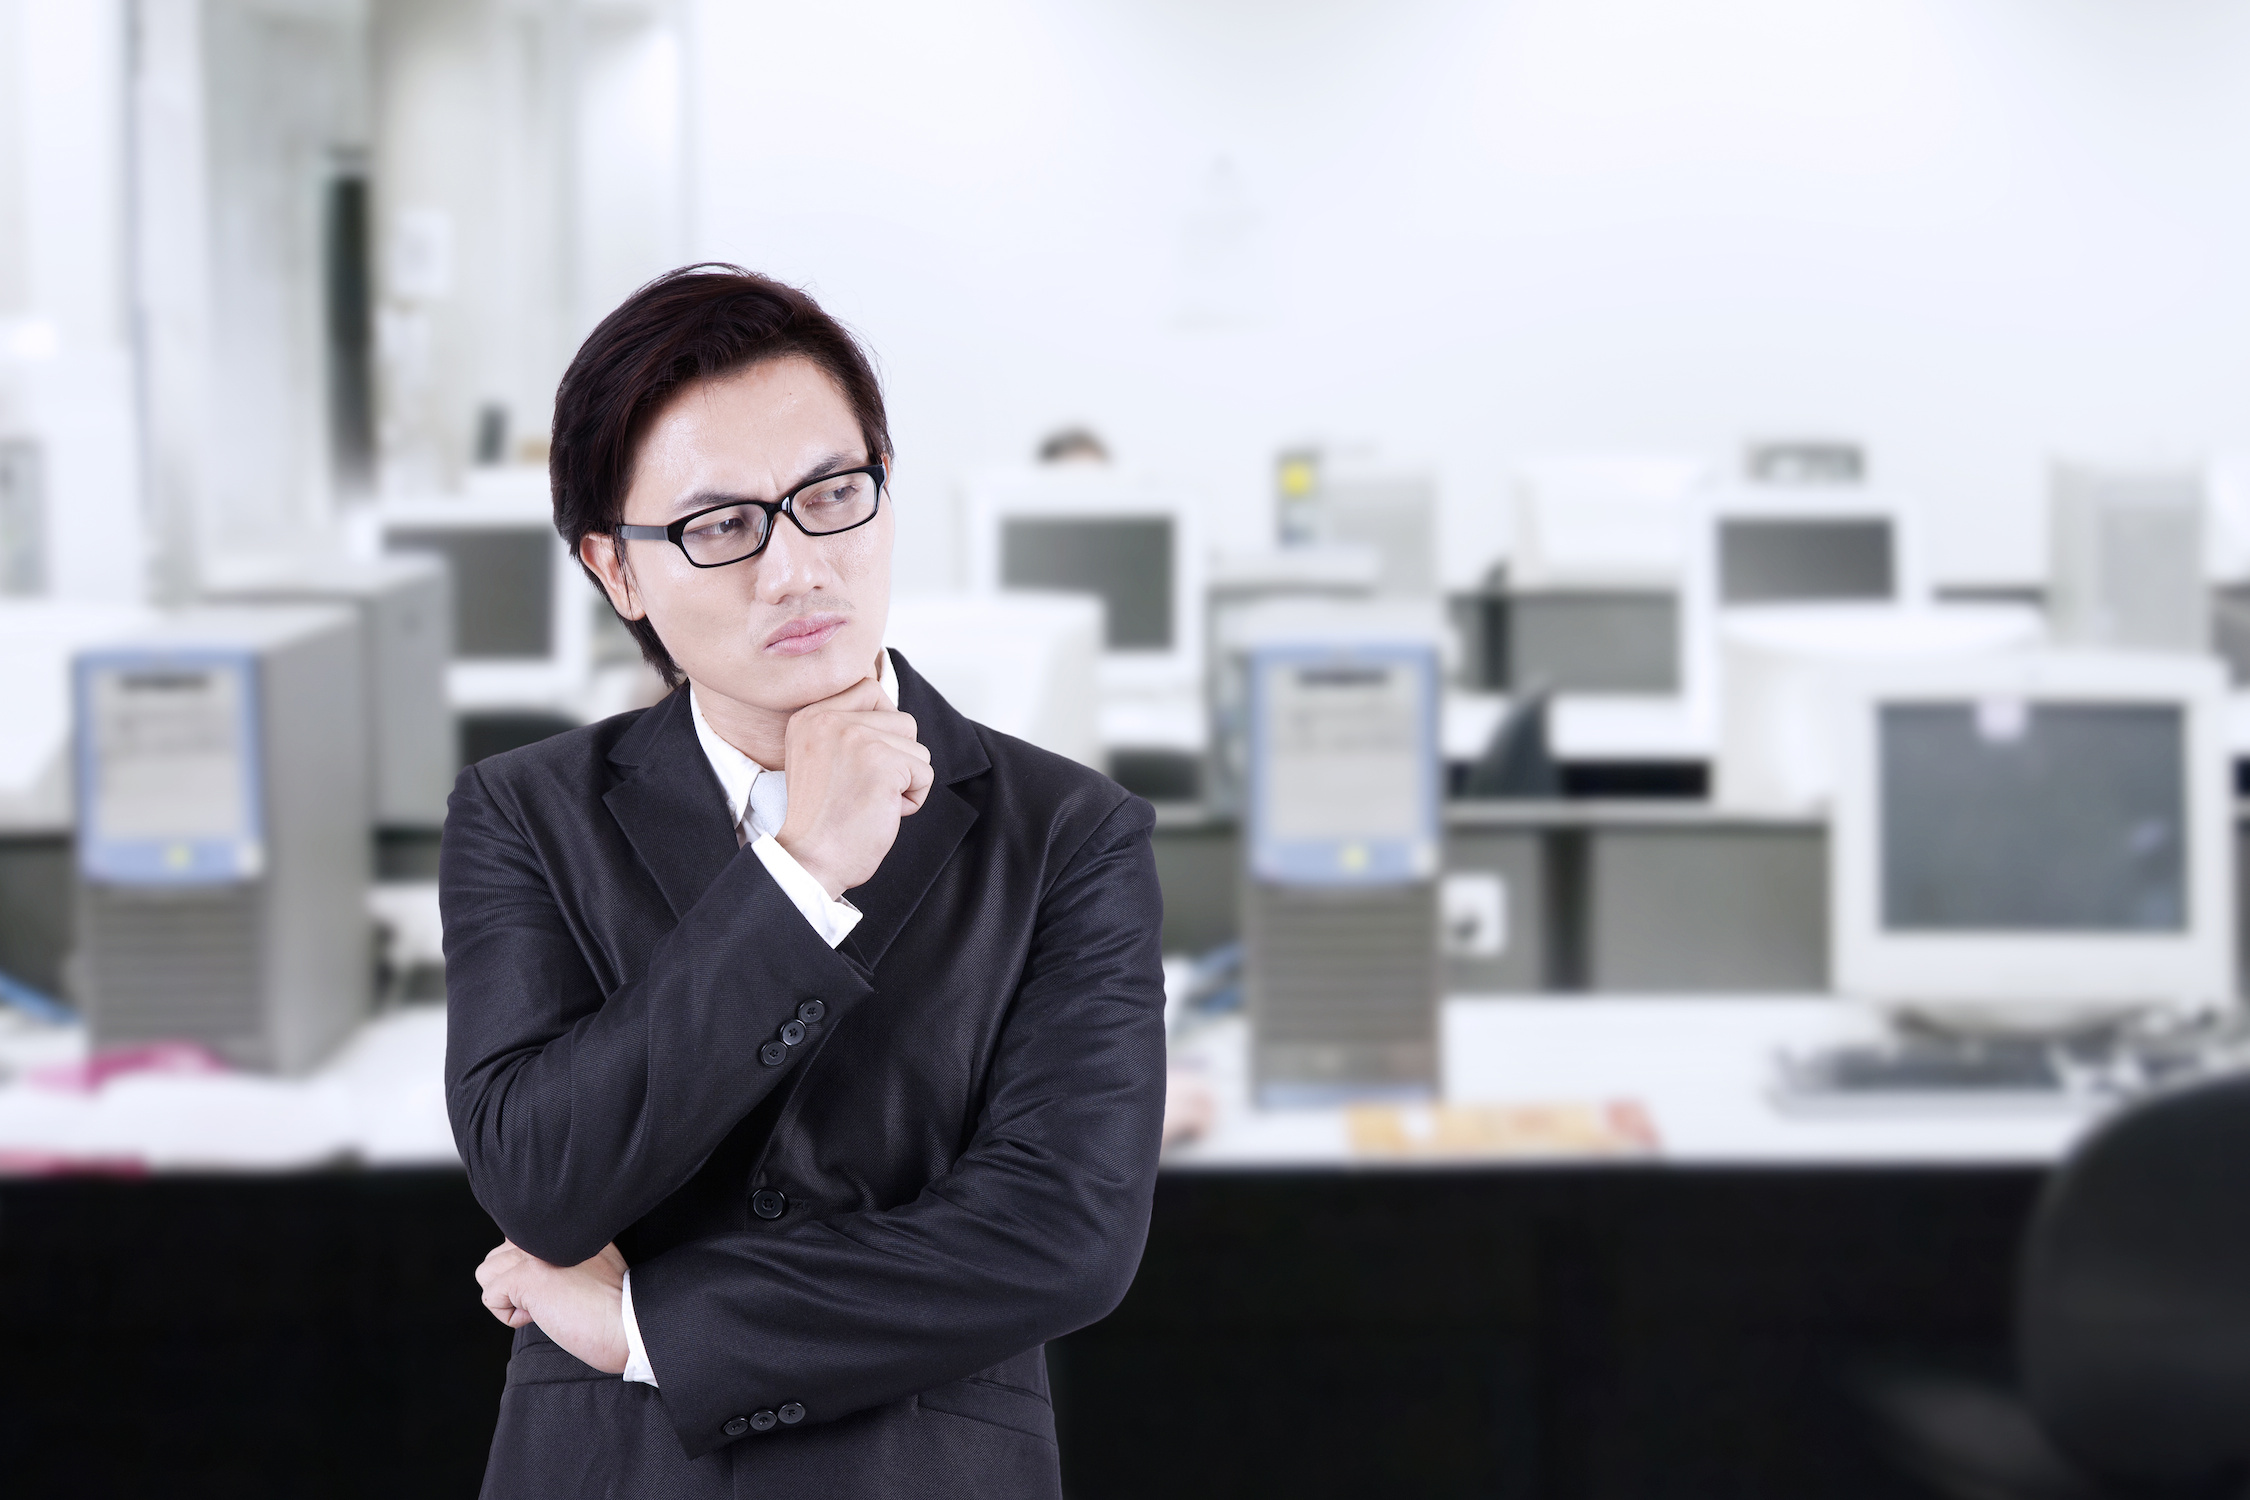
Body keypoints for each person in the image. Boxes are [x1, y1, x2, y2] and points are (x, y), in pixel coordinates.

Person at [443, 265, 1167, 1498]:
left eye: (831, 496)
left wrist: (649, 1328)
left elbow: (1061, 1235)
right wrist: (800, 872)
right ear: (617, 572)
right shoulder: (525, 813)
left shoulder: (1068, 832)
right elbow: (543, 1177)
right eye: (721, 526)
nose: (795, 570)